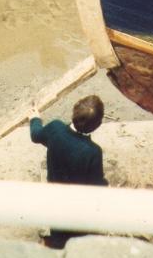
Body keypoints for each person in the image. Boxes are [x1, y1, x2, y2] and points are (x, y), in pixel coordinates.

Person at [29, 94, 108, 248]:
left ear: (74, 111)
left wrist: (34, 119)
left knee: (58, 228)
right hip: (78, 204)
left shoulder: (55, 129)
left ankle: (55, 243)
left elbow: (36, 135)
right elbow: (96, 184)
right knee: (78, 233)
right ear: (98, 124)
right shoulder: (93, 152)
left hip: (55, 194)